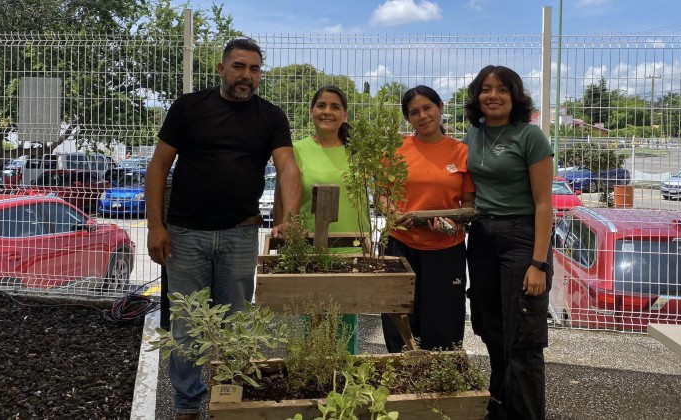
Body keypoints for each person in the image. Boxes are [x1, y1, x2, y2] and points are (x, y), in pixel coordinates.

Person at [144, 38, 301, 419]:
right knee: (186, 328)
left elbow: (288, 168)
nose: (247, 75)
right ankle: (186, 404)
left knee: (237, 327)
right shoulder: (188, 108)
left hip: (240, 235)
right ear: (221, 69)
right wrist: (155, 226)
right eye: (239, 66)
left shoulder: (271, 116)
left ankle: (229, 399)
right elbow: (158, 167)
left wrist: (290, 220)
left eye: (255, 69)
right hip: (184, 236)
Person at [463, 65, 554, 420]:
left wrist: (539, 262)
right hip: (482, 237)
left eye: (502, 89)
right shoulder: (474, 135)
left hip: (522, 237)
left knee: (523, 339)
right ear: (477, 96)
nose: (493, 95)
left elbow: (544, 203)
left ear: (515, 96)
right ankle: (499, 408)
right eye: (486, 89)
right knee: (492, 331)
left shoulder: (530, 137)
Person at [379, 85, 475, 353]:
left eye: (427, 108)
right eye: (414, 112)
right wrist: (394, 215)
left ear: (440, 107)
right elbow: (381, 196)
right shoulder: (397, 149)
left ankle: (439, 387)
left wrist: (454, 224)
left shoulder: (461, 152)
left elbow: (467, 203)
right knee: (399, 320)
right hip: (401, 245)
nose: (422, 116)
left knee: (443, 325)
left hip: (446, 250)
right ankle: (401, 383)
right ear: (408, 118)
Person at [275, 85, 370, 354]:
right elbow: (283, 193)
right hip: (311, 246)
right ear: (311, 111)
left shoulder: (358, 150)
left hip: (350, 244)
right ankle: (317, 379)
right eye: (321, 106)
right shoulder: (296, 149)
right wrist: (283, 226)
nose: (327, 111)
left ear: (344, 114)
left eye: (335, 106)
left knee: (346, 321)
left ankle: (344, 383)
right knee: (314, 318)